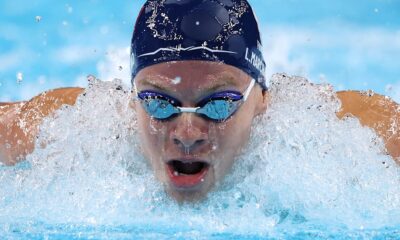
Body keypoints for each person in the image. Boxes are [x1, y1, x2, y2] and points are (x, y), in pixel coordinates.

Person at [0, 0, 399, 202]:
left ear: (262, 101)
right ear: (131, 103)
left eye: (219, 104)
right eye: (158, 102)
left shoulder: (325, 128)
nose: (187, 133)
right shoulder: (78, 128)